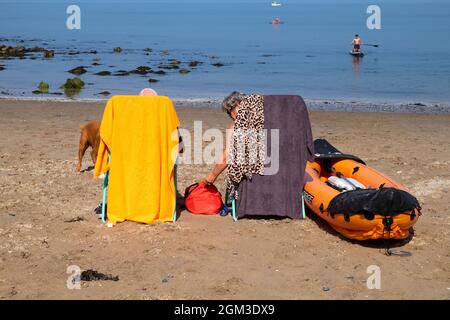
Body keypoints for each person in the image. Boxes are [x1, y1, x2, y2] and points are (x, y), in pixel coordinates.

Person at [202, 91, 246, 184]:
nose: (230, 115)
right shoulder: (262, 120)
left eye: (230, 110)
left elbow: (228, 155)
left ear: (238, 105)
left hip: (244, 180)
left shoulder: (235, 126)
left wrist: (211, 176)